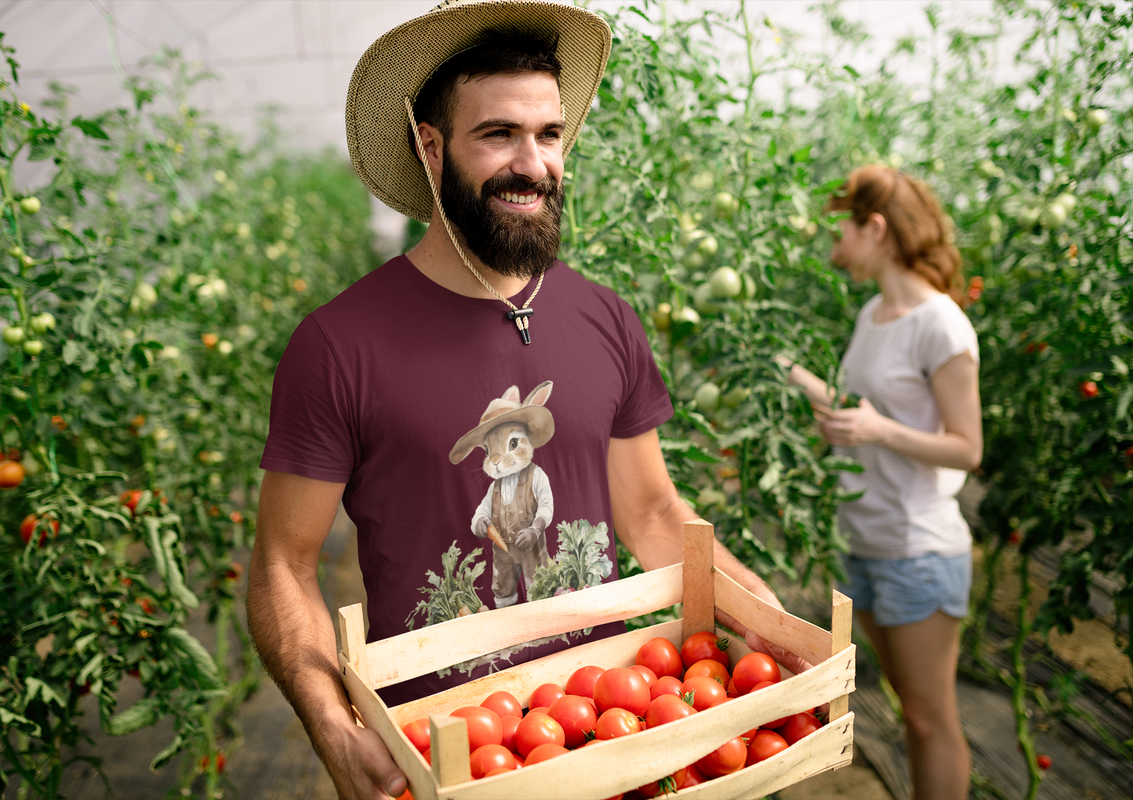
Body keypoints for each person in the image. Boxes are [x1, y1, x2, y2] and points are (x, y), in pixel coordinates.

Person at [246, 3, 806, 799]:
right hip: (441, 755)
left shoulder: (605, 318)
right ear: (430, 147)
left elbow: (650, 513)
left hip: (604, 728)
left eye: (549, 135)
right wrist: (331, 725)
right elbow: (283, 562)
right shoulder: (339, 344)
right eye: (498, 134)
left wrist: (766, 619)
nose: (533, 162)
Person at [780, 165, 981, 800]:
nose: (835, 247)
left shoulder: (940, 324)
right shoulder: (874, 314)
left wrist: (877, 430)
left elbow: (967, 447)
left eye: (842, 230)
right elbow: (858, 407)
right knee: (903, 708)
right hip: (863, 544)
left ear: (876, 228)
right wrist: (793, 376)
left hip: (918, 549)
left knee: (928, 718)